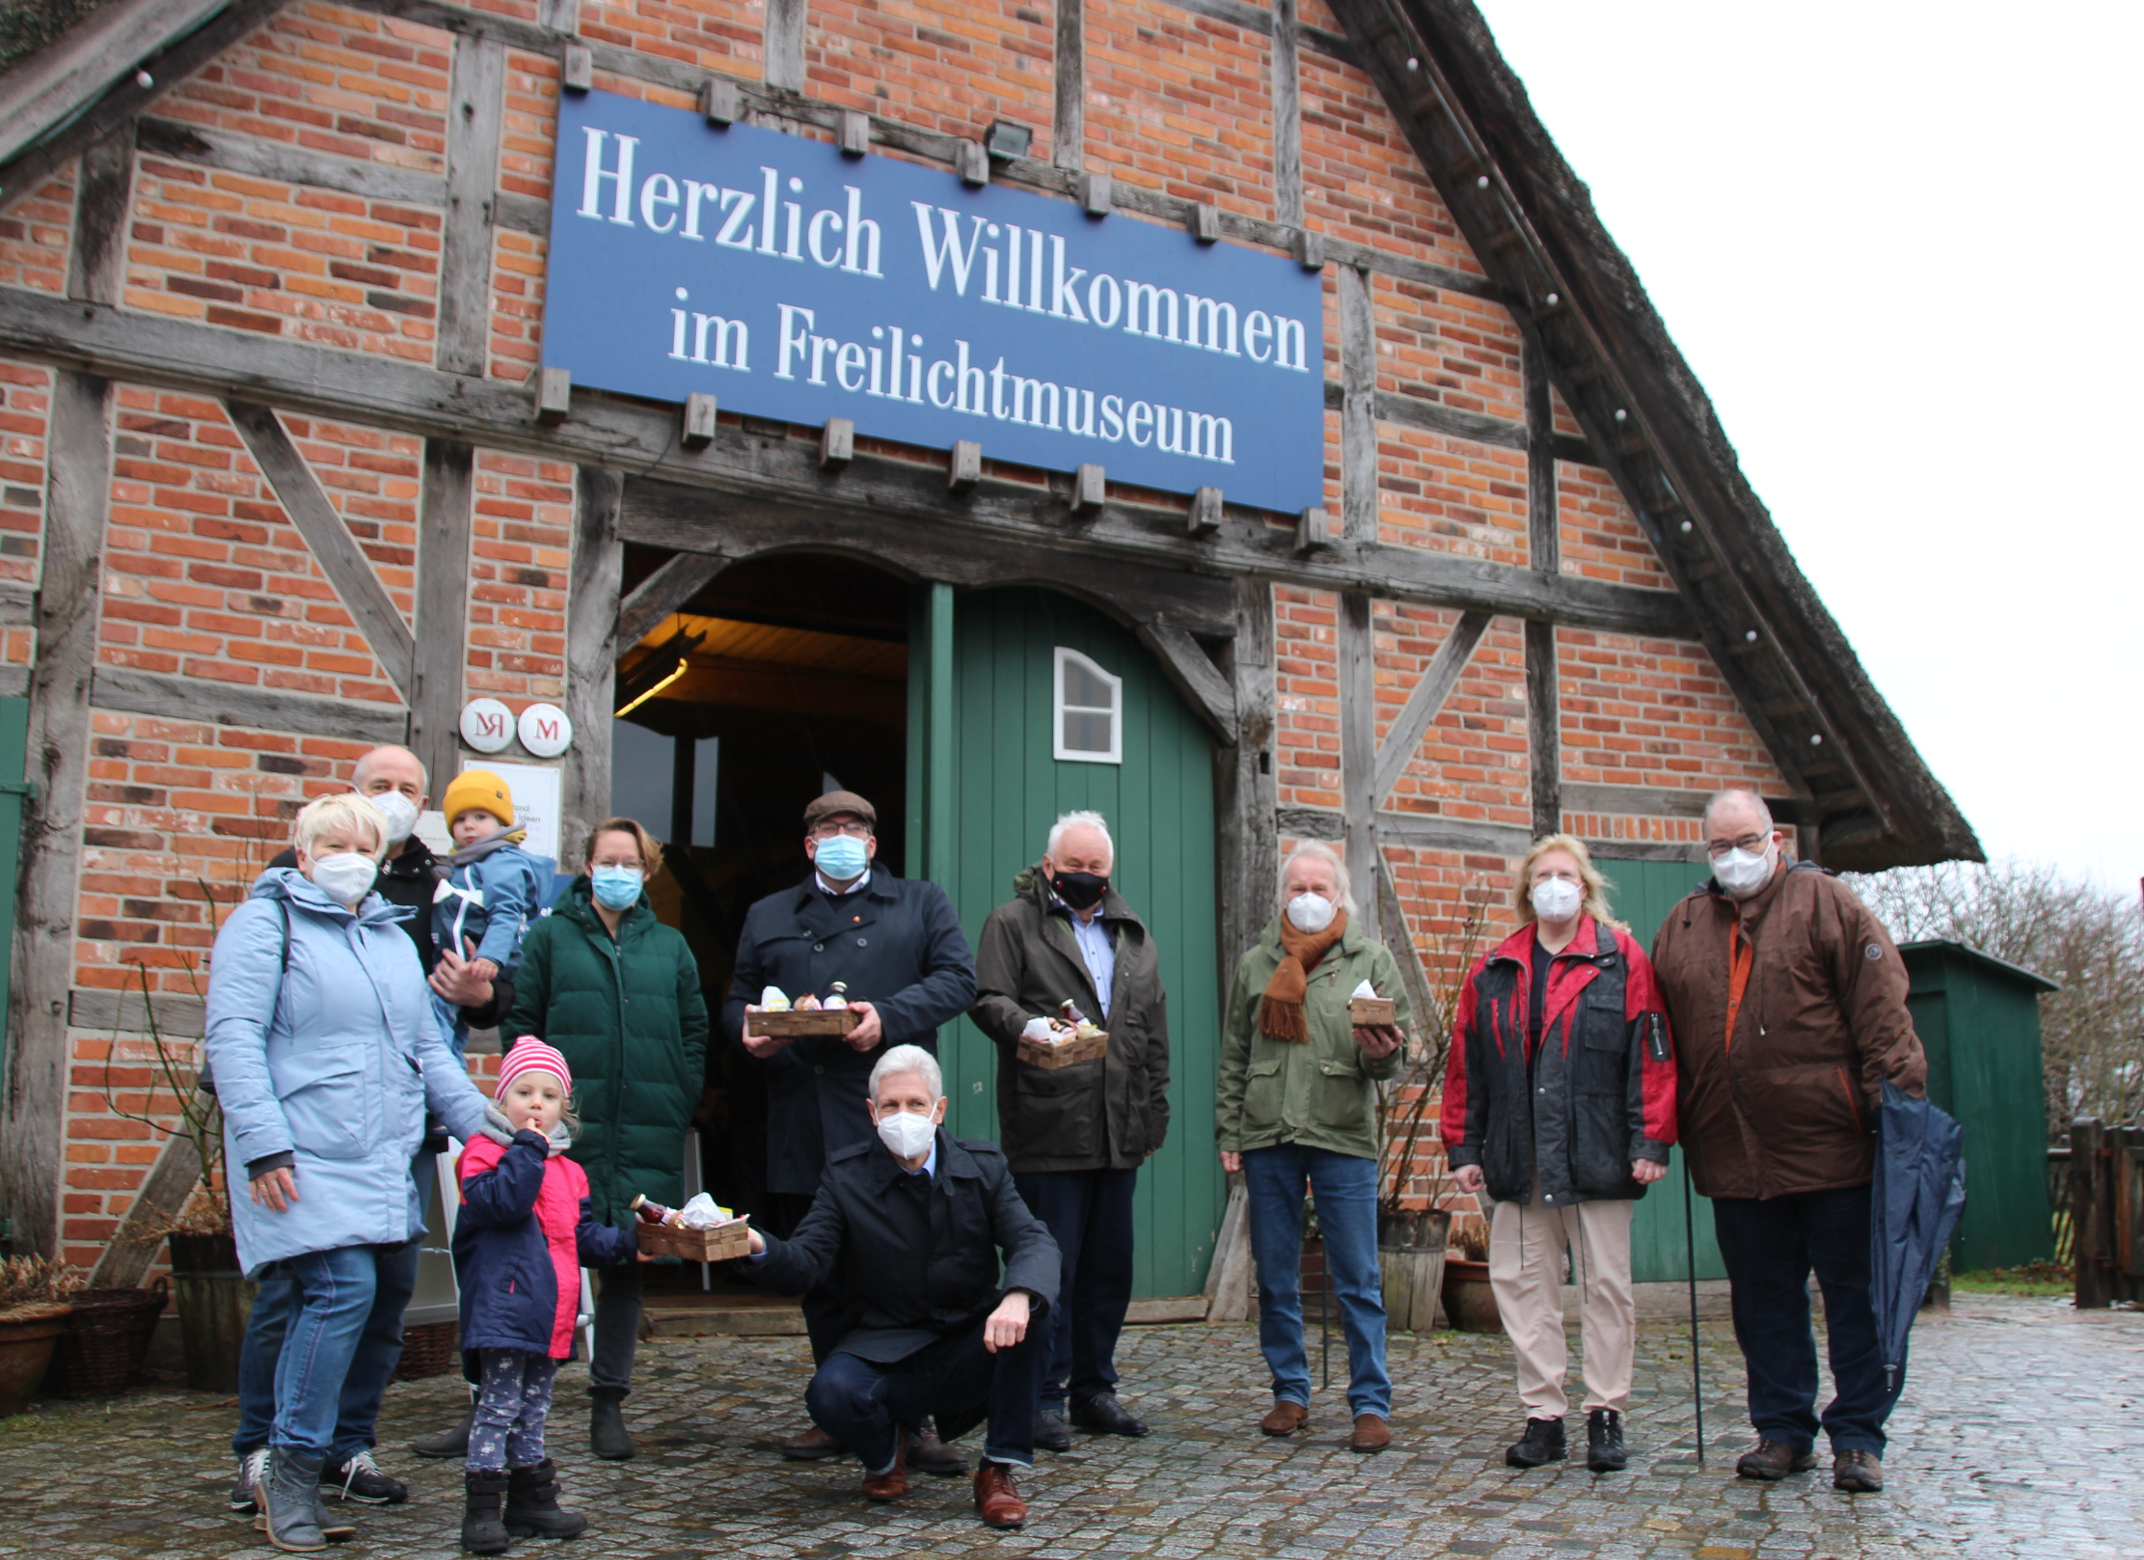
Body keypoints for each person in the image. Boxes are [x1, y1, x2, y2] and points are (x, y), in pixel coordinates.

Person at [204, 792, 506, 1553]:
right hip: (298, 1155)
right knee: (341, 1290)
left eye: (363, 847)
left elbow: (427, 1049)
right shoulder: (262, 925)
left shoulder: (387, 938)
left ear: (379, 860)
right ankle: (289, 1468)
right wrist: (264, 1143)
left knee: (387, 1300)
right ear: (302, 854)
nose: (349, 857)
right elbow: (233, 1039)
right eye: (331, 843)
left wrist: (486, 1128)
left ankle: (344, 1448)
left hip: (382, 1155)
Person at [1650, 788, 1928, 1493]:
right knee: (1762, 1301)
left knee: (1854, 1301)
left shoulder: (1828, 905)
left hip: (1835, 1147)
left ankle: (1860, 1436)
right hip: (1734, 1154)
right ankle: (1782, 1430)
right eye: (1720, 846)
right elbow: (1656, 1038)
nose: (1734, 857)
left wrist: (1894, 1118)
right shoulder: (1682, 925)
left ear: (1775, 839)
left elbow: (1883, 1015)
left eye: (1747, 841)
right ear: (1705, 850)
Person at [412, 815, 709, 1463]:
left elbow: (694, 1033)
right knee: (512, 1264)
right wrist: (536, 1112)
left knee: (629, 1262)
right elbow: (522, 1027)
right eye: (606, 861)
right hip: (558, 1135)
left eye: (629, 863)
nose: (617, 873)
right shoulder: (549, 937)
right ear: (587, 865)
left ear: (648, 870)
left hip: (647, 1129)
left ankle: (609, 1403)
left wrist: (679, 1095)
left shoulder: (673, 949)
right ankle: (485, 1403)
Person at [725, 790, 977, 1467]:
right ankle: (840, 1410)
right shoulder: (768, 913)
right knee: (824, 1278)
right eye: (830, 828)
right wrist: (754, 1035)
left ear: (872, 842)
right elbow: (734, 1000)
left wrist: (887, 1016)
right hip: (802, 1120)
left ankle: (914, 1417)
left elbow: (960, 979)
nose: (845, 836)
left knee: (904, 1274)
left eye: (857, 828)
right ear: (809, 844)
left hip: (889, 1117)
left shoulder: (921, 902)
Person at [739, 1045, 1060, 1530]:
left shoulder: (984, 1167)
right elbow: (806, 1262)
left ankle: (998, 1470)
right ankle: (884, 1455)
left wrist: (1018, 1294)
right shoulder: (844, 1178)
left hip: (968, 1344)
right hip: (882, 1348)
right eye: (890, 1105)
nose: (903, 1115)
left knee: (1035, 1314)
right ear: (872, 1112)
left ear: (939, 1109)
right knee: (829, 1394)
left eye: (915, 1103)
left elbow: (1033, 1239)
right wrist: (755, 1244)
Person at [1443, 834, 1678, 1474]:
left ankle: (1606, 1413)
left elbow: (1650, 1057)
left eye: (1565, 875)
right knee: (1522, 1287)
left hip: (1598, 1155)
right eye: (1542, 875)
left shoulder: (1620, 958)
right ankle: (1543, 1415)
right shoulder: (1495, 970)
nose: (1554, 884)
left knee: (1606, 1288)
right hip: (1519, 1159)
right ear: (1527, 890)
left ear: (1585, 887)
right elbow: (1467, 1066)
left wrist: (1650, 1139)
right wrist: (1464, 1146)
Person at [970, 810, 1168, 1449]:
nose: (1086, 877)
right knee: (1050, 1268)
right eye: (1074, 866)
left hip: (1120, 1129)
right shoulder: (1012, 922)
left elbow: (1152, 1035)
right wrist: (1027, 1025)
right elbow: (987, 998)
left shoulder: (1133, 935)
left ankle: (1094, 1389)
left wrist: (1154, 1112)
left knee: (1109, 1269)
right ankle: (1040, 1397)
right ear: (1050, 866)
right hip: (1048, 1121)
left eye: (1097, 868)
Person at [1214, 841, 1409, 1454]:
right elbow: (1235, 1056)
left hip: (1342, 1133)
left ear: (1339, 894)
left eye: (1318, 888)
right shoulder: (1258, 962)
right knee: (1275, 1275)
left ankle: (1370, 1404)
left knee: (1357, 1276)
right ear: (1282, 896)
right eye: (1296, 889)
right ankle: (1290, 1393)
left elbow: (1394, 1055)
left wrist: (1384, 1053)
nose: (1306, 898)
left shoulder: (1369, 957)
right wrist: (1230, 1129)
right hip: (1269, 1132)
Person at [451, 1041, 641, 1554]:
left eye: (550, 1095)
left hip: (551, 1310)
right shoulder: (482, 1154)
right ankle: (482, 1509)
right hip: (505, 1305)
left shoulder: (569, 1171)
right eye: (524, 1091)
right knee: (498, 1404)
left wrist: (630, 1244)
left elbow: (579, 1237)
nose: (537, 1103)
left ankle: (531, 1499)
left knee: (535, 1406)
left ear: (565, 1108)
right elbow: (501, 1204)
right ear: (501, 1098)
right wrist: (528, 1151)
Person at [431, 769, 551, 1042]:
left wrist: (490, 956)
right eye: (459, 819)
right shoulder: (470, 863)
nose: (469, 825)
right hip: (454, 972)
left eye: (480, 816)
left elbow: (505, 913)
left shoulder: (501, 861)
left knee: (438, 1041)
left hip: (477, 968)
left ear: (501, 822)